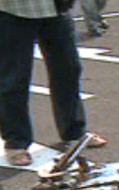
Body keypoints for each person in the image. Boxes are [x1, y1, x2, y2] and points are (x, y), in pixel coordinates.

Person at [0, 0, 106, 167]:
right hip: (14, 12)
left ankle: (75, 133)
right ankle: (16, 144)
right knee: (14, 80)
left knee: (68, 71)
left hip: (57, 10)